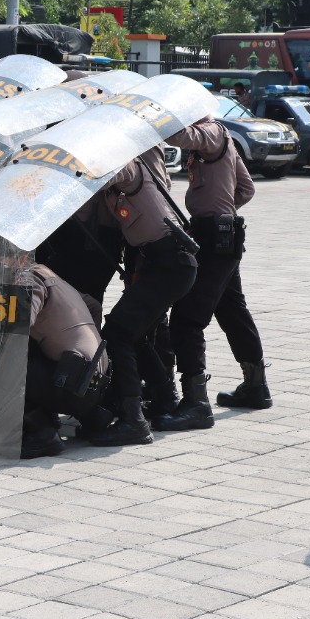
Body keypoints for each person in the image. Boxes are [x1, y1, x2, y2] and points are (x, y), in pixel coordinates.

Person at [153, 117, 267, 431]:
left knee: (186, 319)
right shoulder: (222, 139)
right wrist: (223, 212)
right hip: (221, 234)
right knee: (232, 311)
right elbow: (246, 188)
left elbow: (181, 136)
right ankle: (256, 386)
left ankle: (196, 404)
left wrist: (152, 120)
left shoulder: (212, 132)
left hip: (215, 237)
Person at [86, 145, 197, 446]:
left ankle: (133, 420)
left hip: (171, 263)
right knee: (136, 335)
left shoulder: (130, 166)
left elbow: (102, 176)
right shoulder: (125, 180)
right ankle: (164, 398)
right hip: (159, 262)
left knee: (117, 333)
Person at [21, 264, 114, 458]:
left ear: (21, 258)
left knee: (4, 358)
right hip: (94, 382)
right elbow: (94, 307)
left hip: (72, 388)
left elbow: (21, 322)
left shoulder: (30, 279)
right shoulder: (50, 276)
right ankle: (90, 415)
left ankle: (42, 434)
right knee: (36, 347)